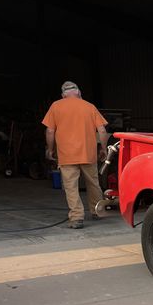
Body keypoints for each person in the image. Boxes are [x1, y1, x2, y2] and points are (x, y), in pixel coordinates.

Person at [42, 81, 108, 229]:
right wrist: (103, 148)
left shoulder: (56, 106)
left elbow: (50, 131)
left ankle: (77, 217)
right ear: (78, 92)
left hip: (67, 155)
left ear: (63, 95)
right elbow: (102, 130)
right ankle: (98, 211)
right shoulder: (89, 106)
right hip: (88, 153)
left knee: (71, 186)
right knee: (93, 183)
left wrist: (50, 149)